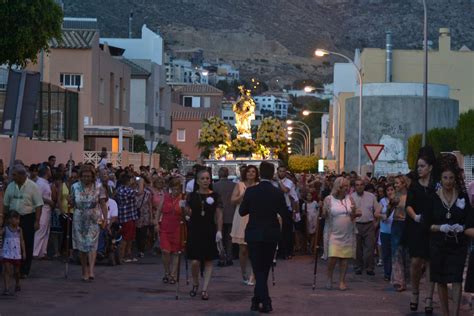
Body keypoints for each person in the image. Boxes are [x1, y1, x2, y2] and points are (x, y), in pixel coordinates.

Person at [424, 158, 473, 316]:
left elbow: (469, 220)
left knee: (457, 278)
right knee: (441, 280)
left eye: (451, 178)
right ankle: (445, 313)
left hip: (458, 244)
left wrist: (462, 227)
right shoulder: (433, 197)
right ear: (441, 178)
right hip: (438, 244)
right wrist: (440, 227)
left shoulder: (463, 197)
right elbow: (426, 224)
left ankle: (455, 313)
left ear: (455, 178)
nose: (448, 181)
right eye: (445, 177)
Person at [239, 161, 287, 313]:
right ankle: (261, 300)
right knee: (264, 268)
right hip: (270, 233)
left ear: (260, 173)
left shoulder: (251, 191)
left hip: (254, 233)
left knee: (258, 268)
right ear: (273, 174)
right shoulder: (277, 192)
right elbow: (284, 213)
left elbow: (242, 211)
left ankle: (261, 300)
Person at [404, 147, 436, 313]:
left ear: (430, 167)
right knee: (416, 262)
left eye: (423, 166)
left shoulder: (436, 186)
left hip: (433, 228)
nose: (420, 169)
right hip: (416, 227)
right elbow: (408, 205)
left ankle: (429, 298)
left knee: (431, 263)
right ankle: (415, 292)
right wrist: (416, 217)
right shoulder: (415, 186)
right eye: (418, 166)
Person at [185, 169, 223, 300]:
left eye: (207, 178)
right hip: (195, 230)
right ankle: (195, 282)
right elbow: (187, 214)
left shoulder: (215, 196)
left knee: (208, 260)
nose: (206, 181)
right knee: (195, 261)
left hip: (209, 230)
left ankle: (205, 289)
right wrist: (183, 209)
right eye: (202, 178)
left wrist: (219, 230)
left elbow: (218, 215)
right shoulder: (191, 196)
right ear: (197, 181)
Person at [3, 164, 43, 278]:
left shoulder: (32, 186)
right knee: (11, 243)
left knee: (27, 243)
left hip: (27, 218)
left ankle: (24, 270)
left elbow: (38, 205)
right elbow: (6, 203)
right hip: (12, 218)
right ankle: (12, 268)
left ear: (22, 175)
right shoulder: (11, 186)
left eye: (14, 175)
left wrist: (37, 221)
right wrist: (4, 218)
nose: (12, 177)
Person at [70, 165, 107, 281]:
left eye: (89, 176)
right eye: (84, 176)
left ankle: (91, 270)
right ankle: (84, 269)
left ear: (92, 177)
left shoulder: (98, 187)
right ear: (80, 177)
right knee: (81, 246)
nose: (86, 178)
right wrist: (69, 201)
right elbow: (72, 203)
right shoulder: (74, 186)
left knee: (92, 244)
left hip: (93, 218)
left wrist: (105, 218)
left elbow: (102, 203)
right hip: (79, 218)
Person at [323, 177, 360, 291]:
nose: (346, 188)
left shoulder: (350, 199)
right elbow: (324, 216)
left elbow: (354, 214)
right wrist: (323, 210)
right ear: (338, 187)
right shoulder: (329, 199)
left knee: (345, 258)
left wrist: (355, 212)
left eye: (347, 186)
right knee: (332, 256)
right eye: (344, 186)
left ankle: (342, 281)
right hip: (333, 233)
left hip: (347, 233)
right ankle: (329, 278)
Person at [230, 165, 259, 285]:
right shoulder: (239, 185)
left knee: (254, 248)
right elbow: (233, 200)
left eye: (253, 171)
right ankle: (244, 273)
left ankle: (254, 274)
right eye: (249, 172)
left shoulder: (259, 186)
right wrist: (243, 195)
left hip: (255, 216)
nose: (251, 174)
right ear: (245, 173)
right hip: (241, 216)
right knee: (243, 249)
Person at [156, 178, 185, 284]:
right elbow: (159, 210)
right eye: (173, 189)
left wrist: (184, 207)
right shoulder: (165, 197)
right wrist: (156, 223)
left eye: (177, 189)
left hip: (178, 228)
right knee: (165, 251)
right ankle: (167, 272)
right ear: (170, 189)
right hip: (165, 227)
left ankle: (173, 275)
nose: (175, 192)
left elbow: (187, 214)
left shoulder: (182, 198)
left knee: (176, 253)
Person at [352, 178, 380, 276]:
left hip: (369, 224)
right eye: (357, 185)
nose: (359, 186)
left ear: (364, 186)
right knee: (357, 248)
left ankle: (369, 268)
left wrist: (377, 219)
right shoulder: (351, 197)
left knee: (370, 247)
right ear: (354, 187)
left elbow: (378, 207)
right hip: (356, 224)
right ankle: (358, 267)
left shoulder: (371, 196)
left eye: (361, 184)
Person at [116, 174, 143, 262]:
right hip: (128, 216)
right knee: (126, 237)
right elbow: (139, 192)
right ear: (128, 181)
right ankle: (122, 256)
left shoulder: (119, 188)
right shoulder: (126, 190)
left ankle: (128, 254)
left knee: (130, 237)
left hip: (127, 215)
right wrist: (141, 182)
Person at [212, 167, 236, 267]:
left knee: (219, 237)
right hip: (231, 213)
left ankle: (222, 257)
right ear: (228, 174)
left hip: (218, 215)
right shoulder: (234, 185)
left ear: (218, 174)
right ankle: (229, 257)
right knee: (229, 238)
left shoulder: (214, 186)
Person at [391, 176, 409, 291]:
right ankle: (398, 280)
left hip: (407, 225)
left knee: (407, 253)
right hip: (396, 224)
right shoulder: (394, 196)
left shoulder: (410, 196)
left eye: (397, 183)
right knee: (396, 252)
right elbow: (388, 213)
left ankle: (407, 279)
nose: (395, 185)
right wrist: (391, 204)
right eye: (395, 183)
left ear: (403, 184)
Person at [1, 211, 26, 295]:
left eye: (18, 219)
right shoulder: (5, 229)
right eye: (15, 219)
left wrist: (24, 252)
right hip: (7, 252)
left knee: (16, 272)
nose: (17, 221)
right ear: (9, 220)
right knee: (7, 270)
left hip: (16, 253)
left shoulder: (19, 229)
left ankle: (17, 283)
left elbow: (22, 241)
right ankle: (6, 288)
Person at [33, 164, 54, 259]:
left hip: (47, 210)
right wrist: (48, 201)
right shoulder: (40, 183)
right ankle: (35, 252)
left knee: (46, 232)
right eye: (49, 170)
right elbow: (37, 197)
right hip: (42, 209)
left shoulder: (45, 183)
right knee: (40, 231)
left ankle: (42, 252)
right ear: (46, 172)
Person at [375, 183, 393, 282]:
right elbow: (376, 213)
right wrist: (383, 216)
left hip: (396, 230)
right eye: (388, 190)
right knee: (386, 253)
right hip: (385, 230)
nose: (390, 192)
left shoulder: (400, 200)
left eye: (392, 190)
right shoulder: (383, 201)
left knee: (395, 253)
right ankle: (387, 273)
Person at [275, 166, 294, 259]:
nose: (281, 173)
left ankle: (287, 252)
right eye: (280, 171)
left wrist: (279, 181)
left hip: (285, 208)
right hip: (275, 208)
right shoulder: (273, 182)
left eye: (283, 171)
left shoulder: (289, 182)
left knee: (286, 231)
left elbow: (286, 190)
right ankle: (277, 252)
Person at [135, 176, 153, 258]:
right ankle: (137, 248)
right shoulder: (133, 191)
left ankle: (141, 250)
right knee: (137, 233)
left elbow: (150, 205)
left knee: (143, 233)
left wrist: (151, 216)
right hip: (135, 214)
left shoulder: (148, 193)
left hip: (145, 215)